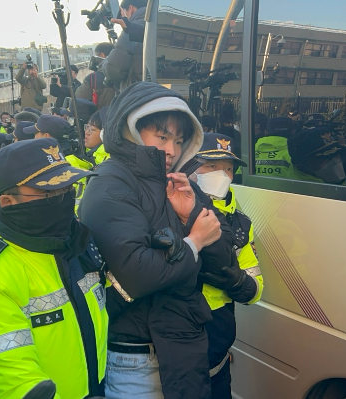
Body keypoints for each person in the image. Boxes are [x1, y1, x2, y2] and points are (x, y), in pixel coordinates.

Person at [79, 82, 232, 399]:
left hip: (182, 348)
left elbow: (223, 253)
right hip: (136, 357)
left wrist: (190, 215)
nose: (172, 150)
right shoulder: (109, 181)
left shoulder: (176, 182)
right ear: (129, 129)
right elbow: (139, 274)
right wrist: (194, 241)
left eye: (178, 140)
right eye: (161, 137)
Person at [0, 137, 108, 399]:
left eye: (68, 189)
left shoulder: (74, 240)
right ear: (8, 202)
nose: (64, 199)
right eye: (49, 194)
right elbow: (14, 383)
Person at [188, 133, 264, 399]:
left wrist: (235, 282)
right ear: (190, 167)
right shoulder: (170, 209)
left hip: (217, 338)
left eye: (228, 168)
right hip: (178, 334)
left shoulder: (241, 224)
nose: (220, 173)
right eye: (210, 166)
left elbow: (256, 288)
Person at [24, 114, 93, 210]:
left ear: (47, 137)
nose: (34, 137)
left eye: (36, 133)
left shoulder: (54, 167)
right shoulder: (76, 160)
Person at [103, 0, 146, 91]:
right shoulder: (156, 26)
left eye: (123, 12)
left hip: (138, 94)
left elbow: (113, 70)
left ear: (131, 8)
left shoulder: (131, 29)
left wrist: (103, 64)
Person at [77, 43, 116, 109]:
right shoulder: (126, 74)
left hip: (100, 117)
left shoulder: (92, 79)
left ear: (102, 55)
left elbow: (80, 101)